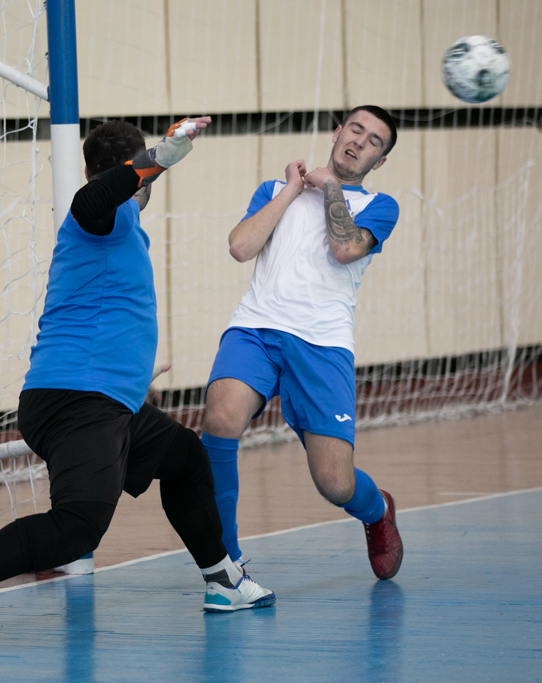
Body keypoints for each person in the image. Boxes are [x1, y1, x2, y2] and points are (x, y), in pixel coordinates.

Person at [0, 116, 274, 655]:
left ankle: (223, 581)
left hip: (108, 400)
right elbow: (93, 199)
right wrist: (158, 157)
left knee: (185, 458)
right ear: (130, 172)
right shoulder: (98, 216)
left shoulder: (124, 227)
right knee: (76, 530)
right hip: (74, 400)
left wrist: (134, 378)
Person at [201, 105, 403, 581]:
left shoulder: (380, 206)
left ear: (379, 161)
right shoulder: (275, 190)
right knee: (220, 418)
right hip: (256, 328)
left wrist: (330, 188)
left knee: (334, 483)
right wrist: (293, 189)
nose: (359, 141)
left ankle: (377, 510)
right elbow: (240, 247)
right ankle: (227, 563)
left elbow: (344, 248)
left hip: (322, 344)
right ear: (337, 133)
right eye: (355, 129)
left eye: (373, 141)